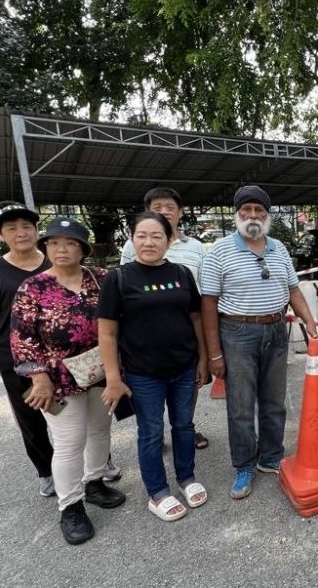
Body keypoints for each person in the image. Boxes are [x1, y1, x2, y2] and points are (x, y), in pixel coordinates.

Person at [11, 217, 125, 545]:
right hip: (57, 377)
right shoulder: (33, 288)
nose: (61, 249)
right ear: (45, 247)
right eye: (54, 242)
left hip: (100, 369)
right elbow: (22, 340)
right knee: (69, 441)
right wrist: (39, 378)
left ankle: (95, 483)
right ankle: (70, 506)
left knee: (100, 429)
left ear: (82, 248)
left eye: (70, 243)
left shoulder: (102, 279)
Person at [200, 185, 318, 500]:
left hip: (277, 329)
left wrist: (308, 319)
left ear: (267, 216)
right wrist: (214, 354)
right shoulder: (219, 252)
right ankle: (243, 465)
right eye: (246, 211)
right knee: (240, 405)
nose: (253, 216)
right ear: (237, 214)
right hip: (237, 334)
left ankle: (270, 457)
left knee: (274, 400)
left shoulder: (279, 248)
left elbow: (293, 289)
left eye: (259, 211)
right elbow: (208, 304)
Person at [100, 212, 209, 521]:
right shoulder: (118, 278)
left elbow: (196, 318)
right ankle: (157, 492)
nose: (149, 242)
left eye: (156, 236)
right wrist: (112, 377)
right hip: (142, 373)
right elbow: (107, 332)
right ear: (132, 239)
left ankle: (187, 478)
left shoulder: (182, 274)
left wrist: (202, 358)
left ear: (169, 239)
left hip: (184, 368)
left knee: (184, 426)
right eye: (142, 236)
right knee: (150, 432)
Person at [120, 187, 209, 450]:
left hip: (185, 331)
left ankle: (185, 429)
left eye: (170, 207)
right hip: (144, 337)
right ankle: (154, 433)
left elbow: (202, 294)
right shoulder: (132, 245)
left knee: (187, 386)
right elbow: (124, 285)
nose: (164, 211)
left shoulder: (194, 247)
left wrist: (206, 347)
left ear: (181, 213)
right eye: (157, 207)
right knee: (150, 390)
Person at [0, 202, 55, 497]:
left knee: (76, 414)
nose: (21, 232)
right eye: (12, 228)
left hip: (60, 357)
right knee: (31, 418)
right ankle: (47, 471)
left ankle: (97, 464)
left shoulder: (54, 261)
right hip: (15, 361)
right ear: (0, 234)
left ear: (35, 229)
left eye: (26, 226)